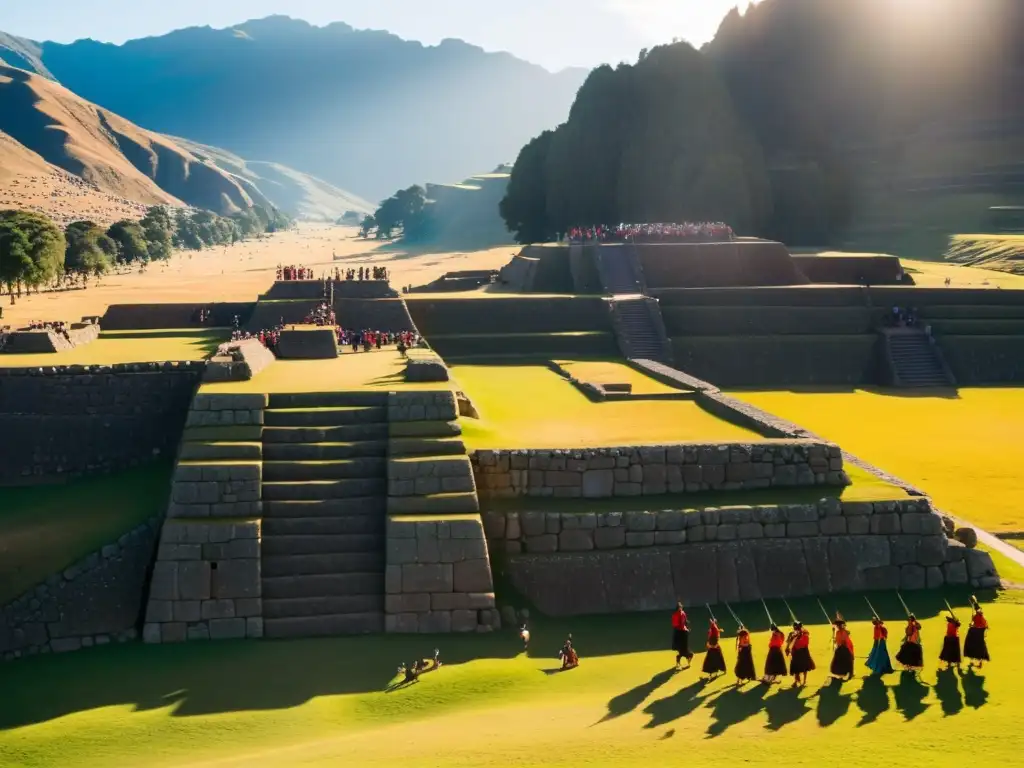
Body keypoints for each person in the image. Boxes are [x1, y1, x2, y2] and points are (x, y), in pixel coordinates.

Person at [786, 622, 814, 687]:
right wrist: (787, 649)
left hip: (803, 651)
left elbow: (805, 643)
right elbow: (789, 642)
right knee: (796, 667)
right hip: (796, 652)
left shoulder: (804, 633)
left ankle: (804, 681)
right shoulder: (792, 634)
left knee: (804, 667)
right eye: (794, 627)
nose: (795, 628)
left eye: (796, 627)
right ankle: (796, 681)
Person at [964, 603, 990, 668]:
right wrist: (972, 625)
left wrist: (973, 625)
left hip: (978, 633)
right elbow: (974, 623)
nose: (977, 610)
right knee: (974, 645)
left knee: (979, 647)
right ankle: (974, 659)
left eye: (978, 610)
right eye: (977, 609)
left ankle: (979, 661)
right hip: (976, 632)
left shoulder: (981, 616)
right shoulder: (976, 616)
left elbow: (984, 624)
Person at [829, 615, 855, 680]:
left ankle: (849, 673)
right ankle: (840, 673)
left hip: (845, 648)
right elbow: (838, 640)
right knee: (838, 662)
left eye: (839, 625)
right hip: (840, 648)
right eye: (837, 625)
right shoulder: (838, 632)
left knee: (847, 661)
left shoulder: (844, 632)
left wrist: (840, 644)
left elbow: (844, 640)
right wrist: (835, 641)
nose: (838, 626)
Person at [671, 602, 693, 669]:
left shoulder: (682, 613)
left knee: (683, 649)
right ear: (677, 608)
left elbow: (685, 621)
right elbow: (676, 625)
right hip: (679, 633)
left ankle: (683, 661)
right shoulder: (675, 615)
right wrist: (684, 627)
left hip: (682, 632)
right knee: (682, 650)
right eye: (679, 608)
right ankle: (679, 663)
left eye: (681, 607)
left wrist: (686, 625)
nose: (680, 609)